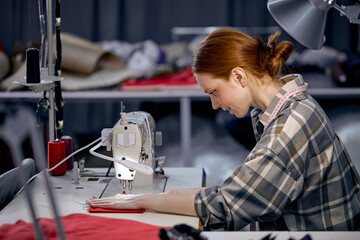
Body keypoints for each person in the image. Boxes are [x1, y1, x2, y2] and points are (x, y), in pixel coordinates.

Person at [87, 27, 360, 231]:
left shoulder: (287, 128)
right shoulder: (290, 106)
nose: (215, 105)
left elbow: (227, 205)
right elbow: (241, 190)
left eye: (214, 92)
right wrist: (165, 197)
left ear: (239, 76)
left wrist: (142, 201)